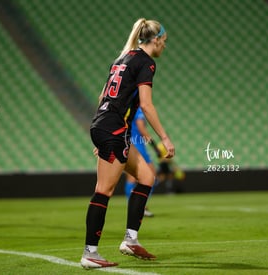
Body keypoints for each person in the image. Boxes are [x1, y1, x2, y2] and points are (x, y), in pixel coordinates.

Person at [80, 18, 175, 269]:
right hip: (113, 129)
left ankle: (131, 240)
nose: (164, 47)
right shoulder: (146, 63)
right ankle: (90, 253)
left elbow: (103, 96)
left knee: (146, 176)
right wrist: (164, 138)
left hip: (106, 126)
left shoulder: (121, 59)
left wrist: (102, 133)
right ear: (154, 40)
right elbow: (146, 104)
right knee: (104, 190)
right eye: (163, 42)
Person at [125, 107, 157, 217]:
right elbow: (141, 129)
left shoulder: (127, 107)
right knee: (151, 176)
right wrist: (155, 147)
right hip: (138, 146)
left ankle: (136, 206)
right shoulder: (137, 109)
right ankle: (139, 206)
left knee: (131, 177)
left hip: (128, 144)